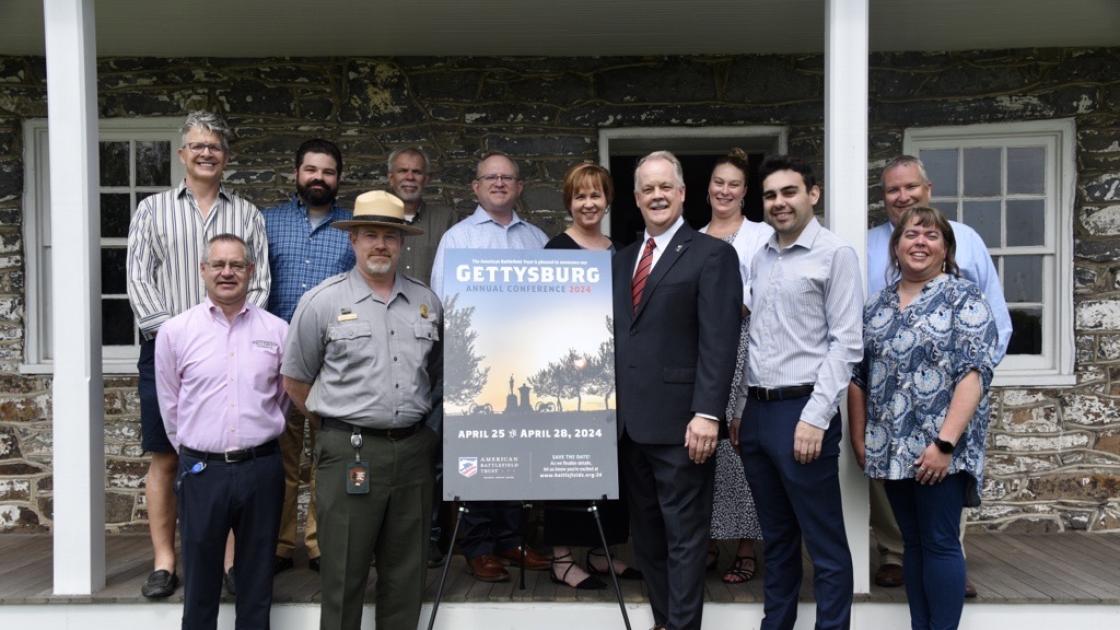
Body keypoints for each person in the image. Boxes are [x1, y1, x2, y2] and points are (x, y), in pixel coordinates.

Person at [282, 191, 442, 630]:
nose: (380, 245)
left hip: (412, 453)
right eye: (370, 234)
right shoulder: (322, 302)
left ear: (402, 243)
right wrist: (337, 423)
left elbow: (436, 373)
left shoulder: (428, 303)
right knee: (343, 576)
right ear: (353, 240)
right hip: (348, 452)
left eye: (390, 236)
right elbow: (296, 380)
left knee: (406, 576)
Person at [126, 110, 270, 598]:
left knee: (229, 455)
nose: (206, 152)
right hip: (167, 349)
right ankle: (166, 561)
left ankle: (229, 564)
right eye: (197, 145)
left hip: (235, 346)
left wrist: (229, 332)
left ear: (225, 157)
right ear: (182, 154)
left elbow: (261, 279)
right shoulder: (152, 209)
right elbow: (138, 278)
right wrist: (179, 336)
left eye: (215, 146)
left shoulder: (246, 214)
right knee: (167, 455)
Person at [864, 155, 1011, 597]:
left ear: (928, 189)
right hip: (892, 421)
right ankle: (895, 557)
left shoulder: (965, 256)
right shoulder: (870, 253)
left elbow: (993, 329)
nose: (902, 196)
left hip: (948, 415)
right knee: (910, 534)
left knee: (941, 536)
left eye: (911, 187)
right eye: (893, 190)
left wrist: (968, 399)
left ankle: (948, 567)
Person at [849, 206, 998, 630]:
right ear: (895, 248)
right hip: (893, 449)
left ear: (946, 249)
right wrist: (861, 439)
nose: (920, 242)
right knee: (912, 543)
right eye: (910, 234)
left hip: (941, 450)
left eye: (931, 236)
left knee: (939, 542)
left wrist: (945, 445)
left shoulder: (963, 297)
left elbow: (974, 375)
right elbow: (858, 377)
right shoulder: (877, 306)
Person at [613, 151, 741, 630]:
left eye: (666, 186)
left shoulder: (713, 255)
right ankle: (665, 621)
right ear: (637, 198)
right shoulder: (622, 260)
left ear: (684, 193)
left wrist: (708, 413)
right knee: (646, 538)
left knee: (686, 538)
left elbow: (720, 342)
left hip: (685, 427)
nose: (657, 195)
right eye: (648, 189)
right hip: (630, 427)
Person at [741, 156, 862, 630]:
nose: (778, 203)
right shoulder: (761, 256)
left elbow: (847, 342)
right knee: (777, 537)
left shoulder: (835, 255)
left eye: (789, 192)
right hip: (757, 413)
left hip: (803, 411)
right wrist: (739, 409)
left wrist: (816, 417)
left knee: (824, 541)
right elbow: (754, 338)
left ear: (813, 194)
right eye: (770, 195)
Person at [154, 234, 287, 630]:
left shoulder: (278, 331)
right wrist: (197, 450)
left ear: (250, 271)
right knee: (200, 582)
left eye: (236, 265)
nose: (227, 272)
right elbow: (170, 404)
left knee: (257, 579)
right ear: (203, 271)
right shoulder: (176, 332)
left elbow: (281, 399)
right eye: (218, 264)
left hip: (261, 469)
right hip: (202, 471)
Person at [430, 152, 551, 583]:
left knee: (519, 455)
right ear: (475, 188)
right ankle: (478, 546)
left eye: (507, 177)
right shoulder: (457, 240)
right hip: (475, 367)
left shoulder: (537, 239)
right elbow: (443, 305)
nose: (499, 183)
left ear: (519, 187)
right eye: (490, 177)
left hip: (523, 361)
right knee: (477, 459)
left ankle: (511, 539)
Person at [541, 162, 638, 590]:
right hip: (569, 379)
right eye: (580, 196)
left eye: (595, 195)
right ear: (570, 202)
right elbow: (545, 317)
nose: (588, 203)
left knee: (611, 468)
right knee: (566, 469)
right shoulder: (556, 250)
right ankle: (561, 558)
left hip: (614, 377)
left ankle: (602, 552)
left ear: (608, 199)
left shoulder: (622, 252)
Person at [264, 138, 355, 575]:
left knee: (326, 458)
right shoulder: (269, 222)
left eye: (328, 171)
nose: (319, 178)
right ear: (296, 173)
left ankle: (321, 543)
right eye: (311, 170)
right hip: (277, 363)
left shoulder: (351, 227)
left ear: (339, 178)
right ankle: (280, 544)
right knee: (280, 458)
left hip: (333, 362)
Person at [700, 148, 772, 585]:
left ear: (745, 192)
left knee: (739, 446)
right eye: (718, 182)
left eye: (733, 183)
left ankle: (745, 548)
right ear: (706, 188)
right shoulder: (692, 237)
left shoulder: (762, 236)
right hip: (707, 352)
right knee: (704, 450)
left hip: (751, 350)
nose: (724, 190)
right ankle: (707, 542)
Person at [385, 146, 457, 566]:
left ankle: (432, 538)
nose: (410, 177)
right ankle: (391, 538)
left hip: (432, 353)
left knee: (432, 452)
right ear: (390, 177)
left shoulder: (447, 223)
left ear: (426, 178)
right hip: (382, 348)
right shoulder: (375, 219)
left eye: (417, 171)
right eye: (402, 171)